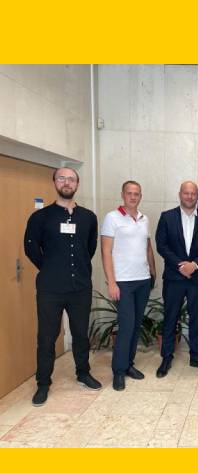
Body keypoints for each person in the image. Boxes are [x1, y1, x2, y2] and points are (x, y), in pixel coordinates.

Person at [24, 167, 102, 407]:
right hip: (50, 289)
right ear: (55, 182)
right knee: (47, 337)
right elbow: (30, 247)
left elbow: (90, 248)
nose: (66, 182)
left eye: (71, 179)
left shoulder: (88, 217)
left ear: (77, 184)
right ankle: (43, 383)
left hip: (80, 287)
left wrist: (77, 268)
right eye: (62, 178)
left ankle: (83, 373)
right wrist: (49, 268)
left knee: (80, 333)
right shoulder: (40, 217)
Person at [155, 181, 198, 376]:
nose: (190, 196)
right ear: (180, 194)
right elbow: (161, 245)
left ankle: (196, 357)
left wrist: (195, 264)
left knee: (196, 319)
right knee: (170, 317)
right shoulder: (167, 217)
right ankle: (166, 357)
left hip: (197, 278)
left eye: (193, 193)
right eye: (186, 193)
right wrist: (180, 265)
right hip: (174, 277)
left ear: (197, 196)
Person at [100, 181, 156, 391]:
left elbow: (147, 247)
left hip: (142, 280)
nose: (133, 197)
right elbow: (106, 252)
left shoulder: (144, 219)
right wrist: (112, 282)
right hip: (122, 283)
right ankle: (118, 371)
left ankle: (129, 364)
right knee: (126, 326)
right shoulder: (112, 218)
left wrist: (152, 272)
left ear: (140, 196)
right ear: (122, 195)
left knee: (135, 325)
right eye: (129, 193)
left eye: (137, 194)